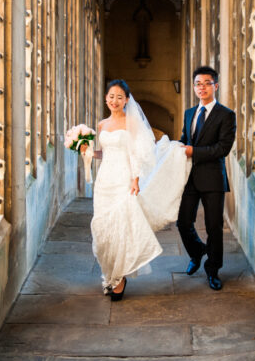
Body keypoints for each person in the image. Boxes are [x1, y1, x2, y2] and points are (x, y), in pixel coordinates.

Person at [80, 79, 190, 301]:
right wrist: (88, 152)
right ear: (106, 98)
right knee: (103, 227)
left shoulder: (131, 122)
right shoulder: (102, 125)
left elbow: (136, 153)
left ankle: (119, 277)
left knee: (121, 226)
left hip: (123, 178)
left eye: (120, 97)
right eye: (111, 96)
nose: (115, 101)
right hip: (104, 181)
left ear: (127, 100)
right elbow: (105, 152)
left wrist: (135, 179)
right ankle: (109, 273)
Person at [177, 66, 236, 291]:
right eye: (198, 84)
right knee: (183, 222)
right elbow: (185, 139)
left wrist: (193, 152)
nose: (202, 87)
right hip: (190, 178)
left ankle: (213, 270)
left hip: (213, 179)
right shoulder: (189, 113)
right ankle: (197, 252)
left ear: (215, 86)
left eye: (206, 83)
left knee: (213, 227)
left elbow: (223, 148)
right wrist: (176, 148)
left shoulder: (226, 115)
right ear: (194, 87)